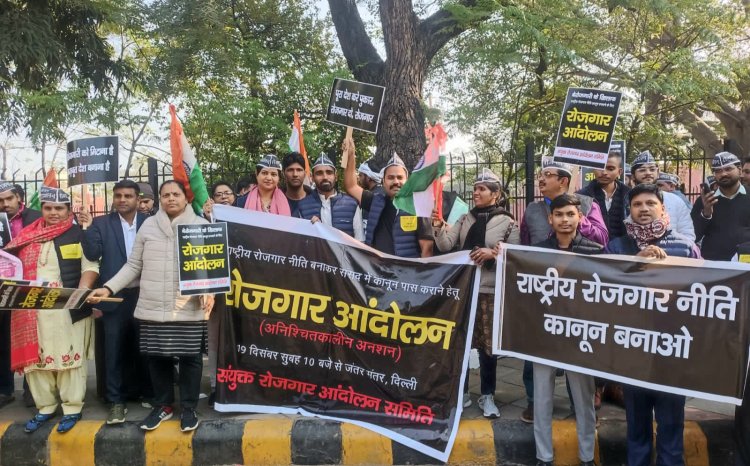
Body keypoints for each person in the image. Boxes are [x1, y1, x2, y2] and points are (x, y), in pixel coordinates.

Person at [87, 181, 215, 432]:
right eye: (166, 195)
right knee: (157, 358)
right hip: (153, 304)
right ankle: (163, 406)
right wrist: (109, 288)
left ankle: (188, 408)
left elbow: (213, 267)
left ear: (186, 198)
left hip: (187, 305)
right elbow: (134, 266)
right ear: (160, 199)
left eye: (176, 194)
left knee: (190, 359)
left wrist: (209, 291)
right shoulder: (148, 227)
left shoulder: (201, 226)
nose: (171, 199)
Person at [606, 183, 699, 466]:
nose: (643, 209)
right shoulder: (617, 247)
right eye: (637, 205)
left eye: (650, 203)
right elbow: (602, 290)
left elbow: (704, 295)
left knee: (671, 425)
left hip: (672, 353)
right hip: (633, 351)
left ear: (662, 208)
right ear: (629, 210)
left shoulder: (685, 247)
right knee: (637, 426)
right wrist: (634, 263)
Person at [519, 159, 608, 423]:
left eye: (547, 174)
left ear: (564, 181)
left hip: (577, 295)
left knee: (577, 354)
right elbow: (524, 243)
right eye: (540, 174)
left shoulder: (588, 204)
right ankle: (534, 402)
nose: (541, 179)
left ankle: (578, 405)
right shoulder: (532, 209)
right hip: (542, 292)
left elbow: (602, 239)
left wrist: (576, 218)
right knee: (535, 350)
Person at [5, 187, 98, 434]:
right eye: (48, 208)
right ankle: (45, 407)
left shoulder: (78, 233)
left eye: (59, 208)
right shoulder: (27, 234)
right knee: (38, 362)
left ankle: (72, 408)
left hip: (67, 308)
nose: (53, 213)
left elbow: (91, 266)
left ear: (68, 210)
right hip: (31, 310)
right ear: (42, 209)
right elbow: (10, 266)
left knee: (69, 359)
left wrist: (81, 293)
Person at [432, 168, 520, 418]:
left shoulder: (508, 222)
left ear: (495, 194)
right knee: (460, 344)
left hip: (489, 291)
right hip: (465, 289)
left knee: (487, 348)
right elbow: (446, 245)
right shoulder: (464, 219)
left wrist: (493, 253)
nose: (476, 193)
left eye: (482, 189)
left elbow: (516, 257)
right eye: (475, 188)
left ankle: (487, 394)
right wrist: (437, 227)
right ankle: (461, 393)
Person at [531, 193, 601, 466]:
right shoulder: (535, 253)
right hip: (543, 334)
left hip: (580, 337)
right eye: (559, 215)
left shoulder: (596, 251)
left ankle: (587, 457)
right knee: (542, 398)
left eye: (570, 214)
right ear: (550, 219)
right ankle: (543, 456)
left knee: (584, 400)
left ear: (580, 218)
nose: (564, 220)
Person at [79, 179, 149, 425]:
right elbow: (92, 254)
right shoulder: (100, 224)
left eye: (128, 196)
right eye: (118, 195)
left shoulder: (150, 222)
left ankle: (148, 393)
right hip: (112, 296)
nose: (122, 200)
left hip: (144, 295)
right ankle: (115, 401)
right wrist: (86, 228)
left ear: (138, 199)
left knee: (145, 347)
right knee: (113, 350)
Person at [342, 138, 434, 258]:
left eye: (400, 177)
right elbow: (351, 186)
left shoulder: (418, 207)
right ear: (383, 182)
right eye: (391, 177)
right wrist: (350, 155)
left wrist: (418, 271)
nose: (396, 182)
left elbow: (427, 248)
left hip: (405, 268)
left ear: (407, 181)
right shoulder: (375, 201)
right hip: (377, 268)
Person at [0, 181, 41, 408]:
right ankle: (4, 390)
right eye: (1, 201)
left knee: (31, 337)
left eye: (9, 199)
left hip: (29, 285)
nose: (5, 204)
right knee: (2, 339)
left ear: (19, 198)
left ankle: (32, 389)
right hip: (2, 288)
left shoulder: (36, 217)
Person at [691, 151, 750, 261]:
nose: (723, 174)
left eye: (728, 169)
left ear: (740, 170)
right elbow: (693, 236)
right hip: (713, 263)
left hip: (745, 263)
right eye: (718, 171)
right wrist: (706, 214)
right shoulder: (706, 200)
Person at [629, 151, 695, 241]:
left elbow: (688, 236)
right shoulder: (625, 200)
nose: (648, 173)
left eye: (652, 169)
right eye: (642, 170)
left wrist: (670, 244)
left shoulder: (675, 200)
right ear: (633, 176)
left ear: (658, 173)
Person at [298, 154, 364, 240]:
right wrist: (311, 230)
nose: (325, 177)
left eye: (329, 172)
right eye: (319, 173)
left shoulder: (351, 205)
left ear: (336, 176)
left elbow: (360, 241)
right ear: (312, 178)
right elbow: (300, 242)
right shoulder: (303, 206)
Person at [577, 152, 630, 239]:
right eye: (600, 168)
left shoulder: (630, 195)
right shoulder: (581, 196)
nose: (604, 172)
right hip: (592, 245)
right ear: (593, 170)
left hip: (623, 246)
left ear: (619, 172)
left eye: (610, 169)